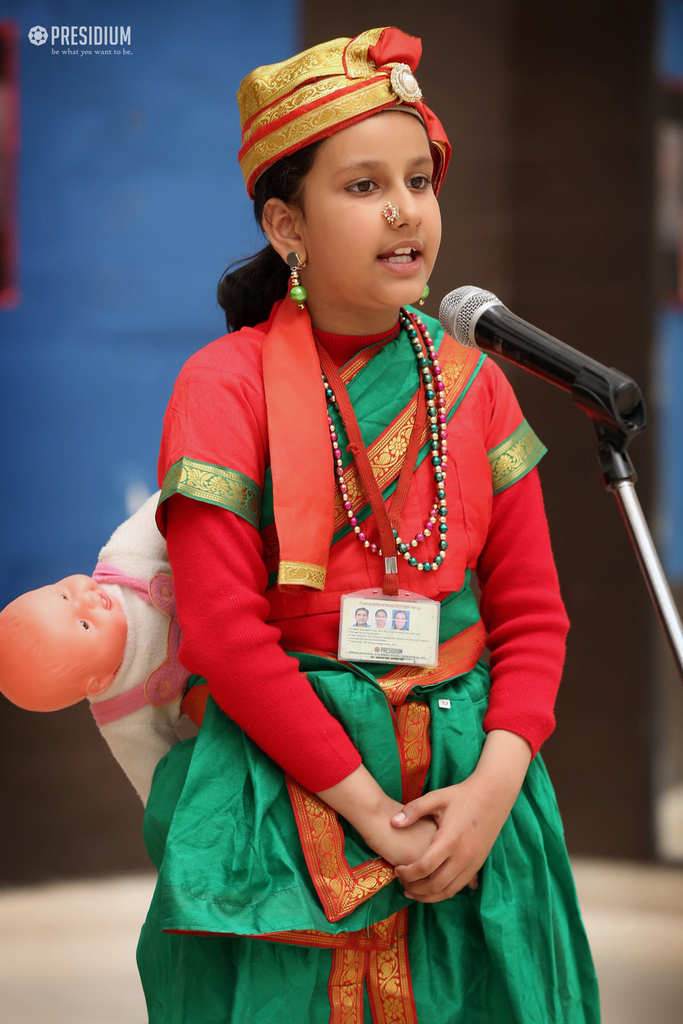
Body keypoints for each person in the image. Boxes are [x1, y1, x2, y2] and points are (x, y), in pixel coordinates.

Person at [138, 27, 599, 1023]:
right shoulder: (223, 387)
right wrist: (372, 816)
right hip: (286, 791)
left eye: (419, 180)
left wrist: (486, 798)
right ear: (284, 225)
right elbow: (224, 632)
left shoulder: (475, 382)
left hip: (474, 792)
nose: (404, 212)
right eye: (361, 187)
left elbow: (532, 618)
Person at [0, 493, 187, 804]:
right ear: (97, 683)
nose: (85, 599)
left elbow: (170, 498)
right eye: (84, 625)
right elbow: (158, 786)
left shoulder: (125, 559)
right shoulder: (124, 715)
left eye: (62, 595)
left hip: (238, 573)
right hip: (238, 677)